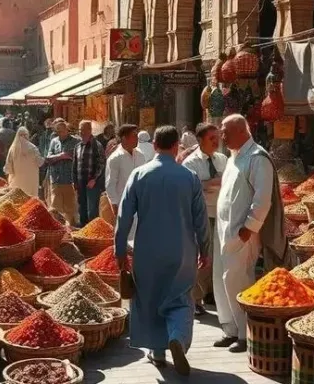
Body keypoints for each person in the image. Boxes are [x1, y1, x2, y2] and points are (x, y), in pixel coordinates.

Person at [115, 125, 209, 376]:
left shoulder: (138, 175)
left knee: (151, 299)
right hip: (182, 252)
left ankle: (157, 353)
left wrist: (120, 250)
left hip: (147, 252)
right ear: (176, 146)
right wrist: (206, 250)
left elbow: (123, 218)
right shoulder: (189, 177)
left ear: (154, 145)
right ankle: (177, 337)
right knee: (179, 299)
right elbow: (201, 219)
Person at [212, 115, 279, 353]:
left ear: (241, 131)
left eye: (225, 132)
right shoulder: (234, 157)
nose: (222, 136)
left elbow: (262, 199)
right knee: (223, 279)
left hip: (243, 234)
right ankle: (230, 329)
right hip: (225, 231)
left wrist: (249, 228)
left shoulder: (258, 158)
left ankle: (244, 334)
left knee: (239, 280)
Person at [182, 123, 229, 316]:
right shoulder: (190, 163)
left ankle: (212, 293)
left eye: (217, 138)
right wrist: (212, 183)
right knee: (203, 258)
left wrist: (209, 185)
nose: (216, 142)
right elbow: (191, 189)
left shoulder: (223, 159)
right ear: (200, 140)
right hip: (201, 215)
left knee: (219, 256)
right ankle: (195, 298)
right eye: (212, 138)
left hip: (222, 214)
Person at [46, 119, 81, 225]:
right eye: (58, 131)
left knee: (70, 208)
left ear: (67, 130)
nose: (60, 132)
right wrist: (61, 156)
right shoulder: (54, 141)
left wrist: (69, 157)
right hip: (56, 178)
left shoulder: (75, 142)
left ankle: (71, 229)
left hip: (70, 179)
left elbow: (79, 158)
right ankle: (57, 228)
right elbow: (48, 158)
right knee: (55, 208)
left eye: (62, 130)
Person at [105, 124, 146, 213]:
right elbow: (110, 184)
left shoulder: (140, 155)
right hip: (122, 205)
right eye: (134, 136)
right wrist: (114, 205)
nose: (137, 139)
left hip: (140, 204)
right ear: (124, 138)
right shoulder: (115, 158)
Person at [73, 120, 105, 226]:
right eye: (80, 129)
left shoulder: (96, 145)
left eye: (83, 129)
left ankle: (93, 231)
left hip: (92, 183)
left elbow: (101, 164)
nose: (81, 132)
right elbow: (74, 164)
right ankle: (83, 231)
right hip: (80, 181)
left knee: (92, 210)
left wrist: (94, 179)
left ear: (90, 130)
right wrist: (75, 181)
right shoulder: (77, 146)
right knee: (82, 207)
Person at [5, 126, 44, 197]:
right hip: (31, 178)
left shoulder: (13, 148)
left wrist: (10, 174)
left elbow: (8, 165)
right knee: (30, 200)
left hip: (17, 178)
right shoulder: (33, 147)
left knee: (17, 198)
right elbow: (40, 162)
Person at [31, 118, 56, 199]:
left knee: (45, 179)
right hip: (45, 159)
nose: (49, 130)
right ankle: (44, 195)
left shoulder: (47, 136)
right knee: (44, 179)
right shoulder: (44, 136)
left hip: (46, 158)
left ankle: (44, 195)